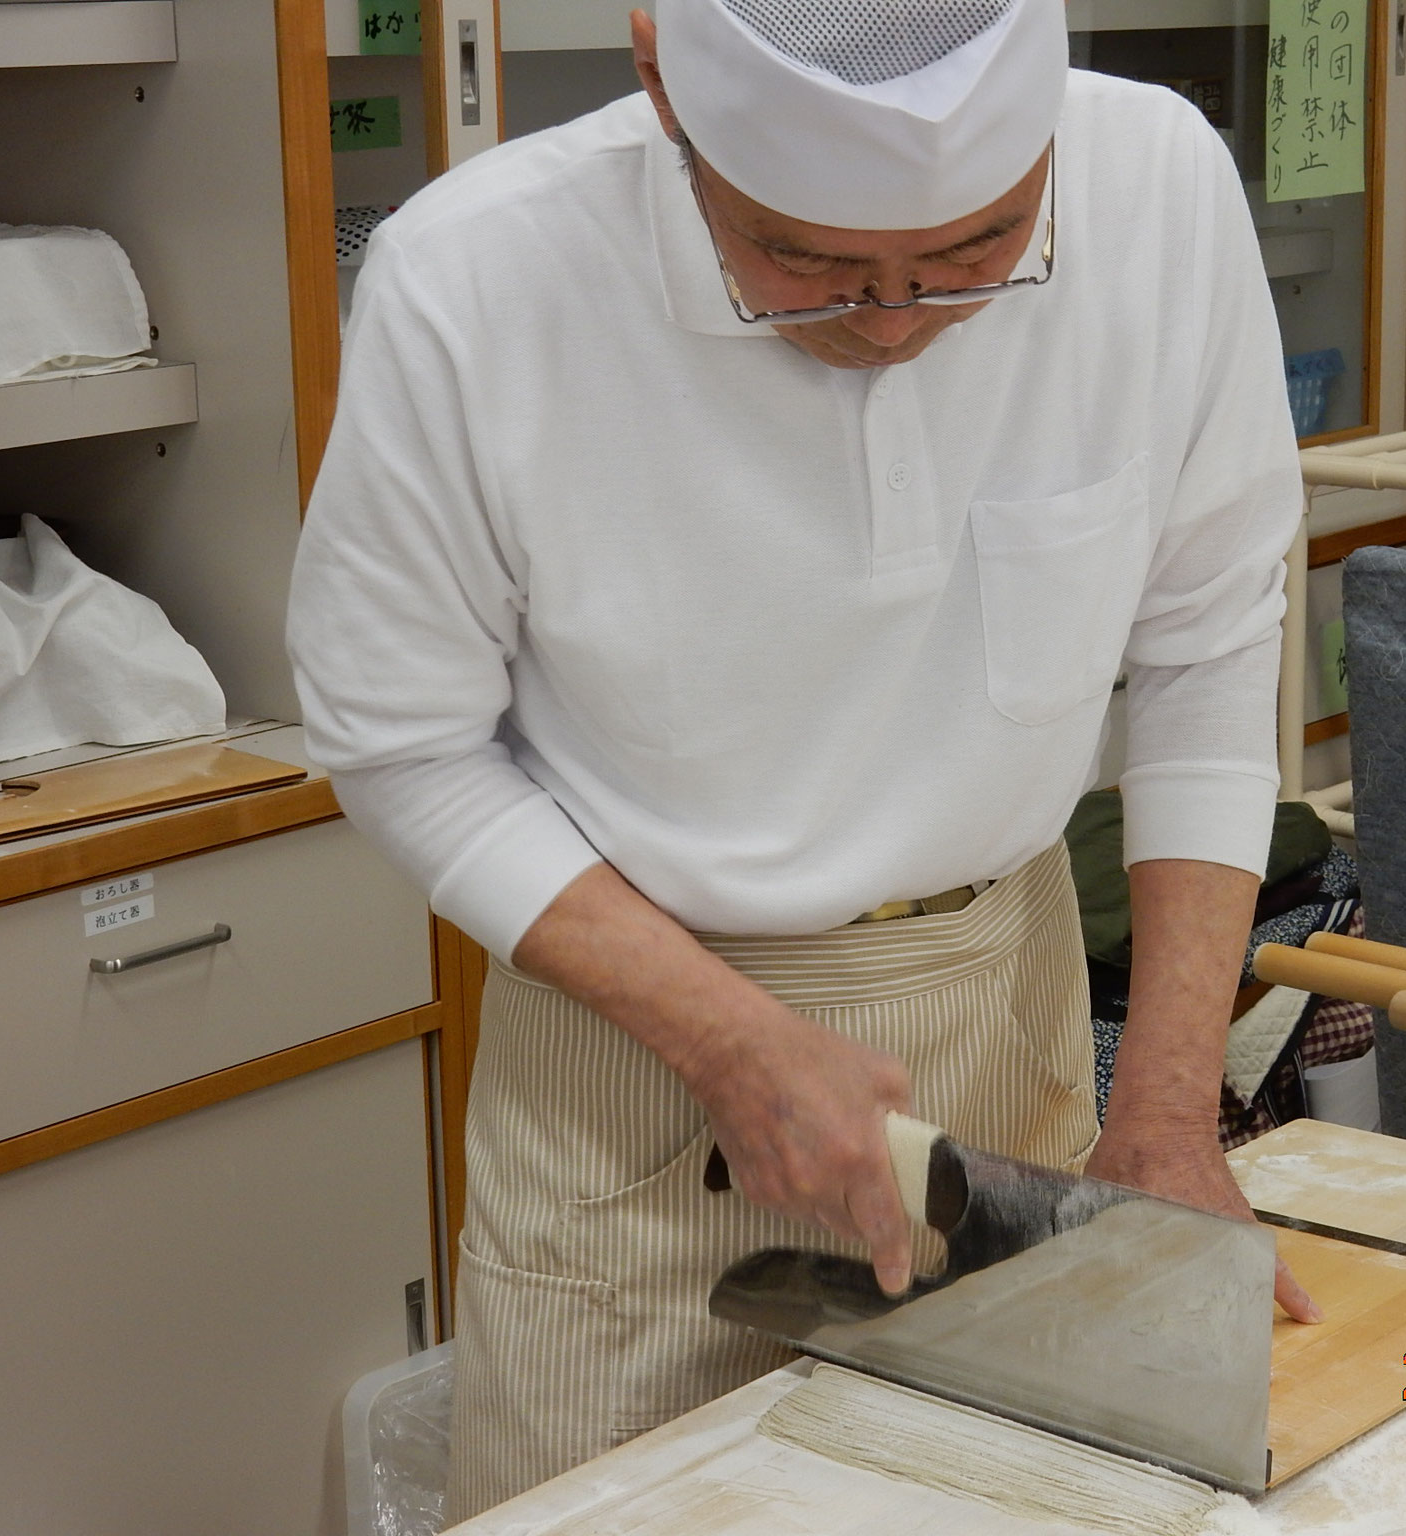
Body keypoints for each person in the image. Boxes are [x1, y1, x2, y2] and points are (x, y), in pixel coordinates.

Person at [286, 0, 1313, 1515]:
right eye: (806, 261)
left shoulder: (1156, 185)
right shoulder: (477, 278)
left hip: (1003, 1029)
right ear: (662, 85)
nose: (894, 315)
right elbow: (401, 745)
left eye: (977, 253)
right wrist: (730, 1043)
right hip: (643, 1073)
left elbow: (1209, 649)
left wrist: (1163, 1111)